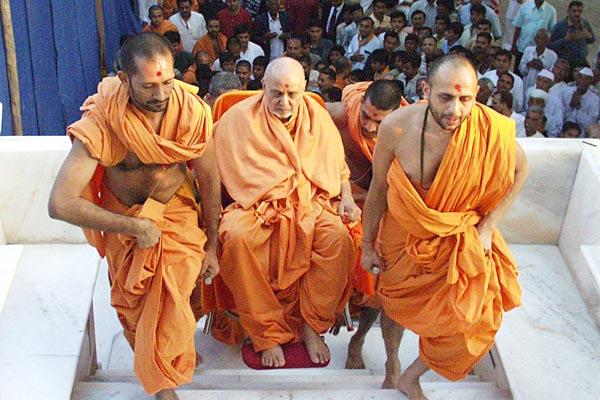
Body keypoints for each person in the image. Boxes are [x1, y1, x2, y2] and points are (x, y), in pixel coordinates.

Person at [47, 32, 221, 400]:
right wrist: (132, 226)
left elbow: (208, 179)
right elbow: (60, 203)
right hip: (123, 220)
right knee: (134, 306)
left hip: (175, 211)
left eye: (168, 83)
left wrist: (213, 247)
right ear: (124, 80)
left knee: (178, 288)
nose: (160, 96)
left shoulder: (192, 112)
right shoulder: (103, 120)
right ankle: (162, 360)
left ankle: (163, 382)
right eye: (148, 86)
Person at [360, 55, 527, 398]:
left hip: (459, 235)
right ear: (425, 90)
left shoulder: (489, 129)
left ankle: (412, 375)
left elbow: (520, 171)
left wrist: (489, 226)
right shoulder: (397, 128)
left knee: (473, 314)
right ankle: (392, 362)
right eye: (445, 98)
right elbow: (378, 188)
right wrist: (366, 244)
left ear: (477, 94)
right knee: (394, 306)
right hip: (403, 234)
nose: (455, 109)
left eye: (465, 99)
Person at [214, 57, 360, 368]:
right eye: (276, 94)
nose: (284, 102)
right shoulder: (237, 119)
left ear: (304, 90)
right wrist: (211, 207)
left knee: (338, 239)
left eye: (292, 94)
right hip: (254, 206)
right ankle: (266, 333)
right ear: (262, 86)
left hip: (310, 202)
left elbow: (338, 167)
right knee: (236, 238)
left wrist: (347, 197)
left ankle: (311, 325)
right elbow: (210, 169)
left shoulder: (317, 117)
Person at [326, 80, 405, 374]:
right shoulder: (336, 115)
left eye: (379, 121)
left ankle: (360, 340)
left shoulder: (409, 129)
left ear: (396, 115)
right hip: (338, 201)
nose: (370, 128)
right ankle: (326, 312)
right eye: (366, 117)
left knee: (385, 275)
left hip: (385, 208)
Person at [511, 0, 556, 71]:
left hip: (539, 52)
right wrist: (513, 45)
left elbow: (551, 31)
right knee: (519, 71)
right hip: (523, 47)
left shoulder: (551, 11)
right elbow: (518, 27)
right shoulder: (525, 7)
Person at [549, 0, 596, 68]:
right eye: (574, 11)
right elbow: (551, 46)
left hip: (582, 62)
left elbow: (592, 40)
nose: (577, 14)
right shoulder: (559, 26)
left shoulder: (585, 23)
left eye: (580, 11)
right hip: (566, 65)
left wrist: (588, 36)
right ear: (568, 11)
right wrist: (565, 40)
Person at [518, 29, 557, 94]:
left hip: (542, 90)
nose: (540, 41)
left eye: (544, 38)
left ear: (548, 41)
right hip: (526, 87)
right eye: (538, 38)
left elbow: (552, 77)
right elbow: (521, 70)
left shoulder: (553, 56)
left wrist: (542, 68)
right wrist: (528, 65)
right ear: (535, 39)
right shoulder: (528, 50)